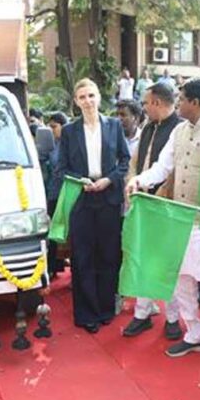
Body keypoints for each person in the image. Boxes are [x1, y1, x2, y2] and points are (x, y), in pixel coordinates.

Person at [126, 78, 200, 369]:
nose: (177, 104)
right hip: (179, 220)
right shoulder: (179, 130)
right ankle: (193, 335)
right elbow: (163, 167)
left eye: (181, 100)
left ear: (195, 102)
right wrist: (139, 180)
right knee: (182, 280)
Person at [57, 78, 130, 334]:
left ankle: (106, 308)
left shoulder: (114, 125)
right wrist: (81, 181)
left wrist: (109, 180)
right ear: (76, 102)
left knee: (109, 255)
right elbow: (61, 168)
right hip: (82, 198)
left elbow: (125, 160)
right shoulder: (69, 131)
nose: (88, 101)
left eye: (91, 95)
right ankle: (87, 313)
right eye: (82, 97)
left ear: (99, 97)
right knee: (83, 257)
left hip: (109, 197)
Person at [122, 81, 184, 339]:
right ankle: (142, 314)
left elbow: (176, 169)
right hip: (143, 203)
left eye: (146, 103)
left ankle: (172, 318)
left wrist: (160, 194)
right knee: (143, 259)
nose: (144, 107)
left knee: (169, 264)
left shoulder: (180, 128)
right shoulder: (149, 126)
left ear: (157, 102)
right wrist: (132, 184)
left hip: (167, 206)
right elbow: (136, 162)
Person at [45, 113, 68, 278]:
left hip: (66, 193)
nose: (51, 130)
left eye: (54, 127)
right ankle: (53, 266)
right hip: (53, 193)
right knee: (53, 232)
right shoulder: (51, 145)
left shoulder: (69, 144)